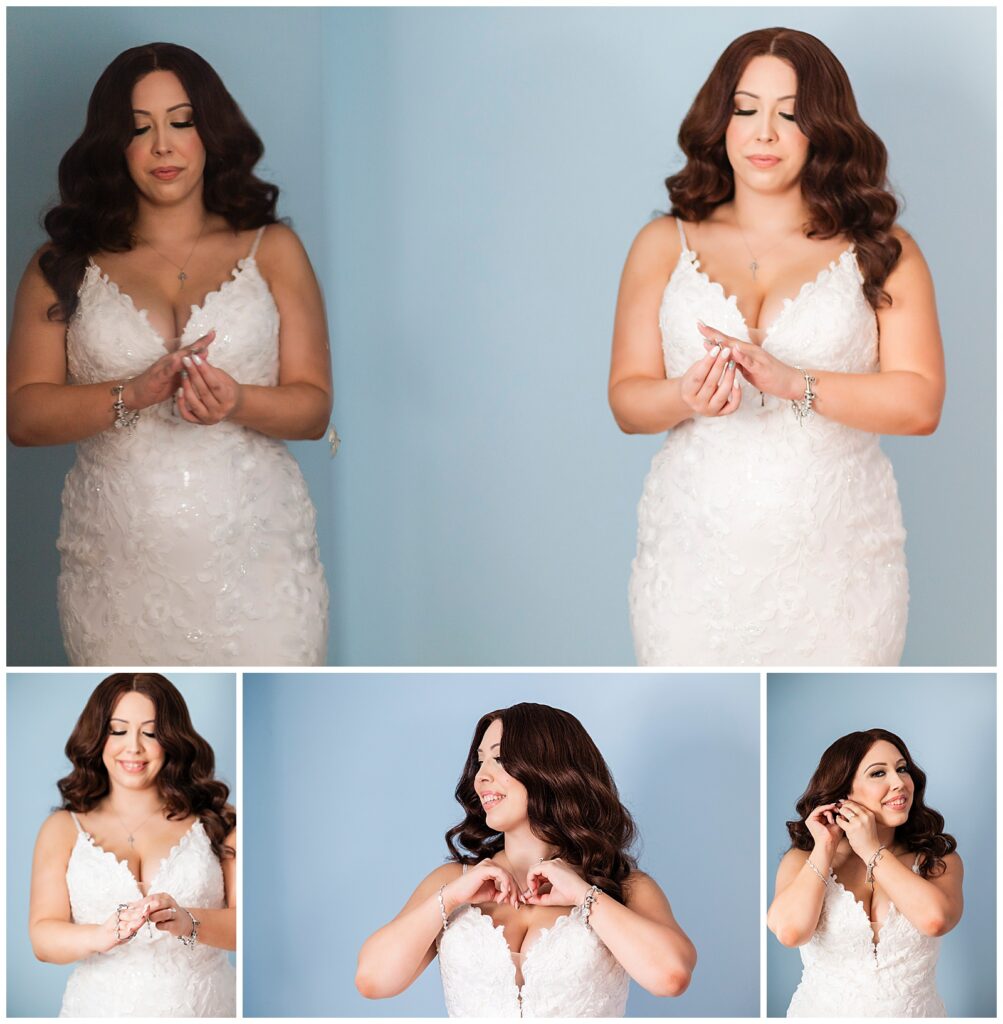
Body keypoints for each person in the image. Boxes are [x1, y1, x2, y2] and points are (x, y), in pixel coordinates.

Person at [609, 28, 945, 666]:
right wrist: (683, 394)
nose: (764, 133)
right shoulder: (661, 243)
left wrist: (797, 383)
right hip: (691, 565)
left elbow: (921, 401)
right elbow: (627, 401)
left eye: (789, 115)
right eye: (745, 109)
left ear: (824, 129)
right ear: (721, 120)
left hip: (841, 570)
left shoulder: (882, 248)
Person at [7, 42, 330, 666]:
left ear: (209, 131)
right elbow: (22, 415)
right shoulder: (60, 265)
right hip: (117, 575)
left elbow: (314, 409)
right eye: (138, 128)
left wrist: (237, 400)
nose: (163, 146)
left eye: (181, 122)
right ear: (112, 145)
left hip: (259, 569)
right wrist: (135, 392)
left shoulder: (274, 248)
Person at [355, 703, 696, 1017]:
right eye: (480, 760)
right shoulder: (451, 881)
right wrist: (453, 896)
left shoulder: (624, 885)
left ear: (551, 769)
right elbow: (373, 980)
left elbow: (670, 977)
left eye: (499, 759)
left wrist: (583, 895)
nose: (481, 776)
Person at [28, 673, 236, 1017]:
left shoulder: (220, 820)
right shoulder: (62, 828)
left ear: (171, 740)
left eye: (151, 733)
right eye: (118, 730)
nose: (134, 747)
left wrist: (189, 921)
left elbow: (247, 926)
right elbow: (42, 937)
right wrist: (100, 936)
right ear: (97, 736)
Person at [767, 728, 962, 1017]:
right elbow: (790, 932)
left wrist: (871, 850)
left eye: (902, 769)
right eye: (878, 773)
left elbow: (935, 920)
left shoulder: (938, 860)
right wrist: (825, 847)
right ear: (843, 791)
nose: (899, 783)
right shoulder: (801, 860)